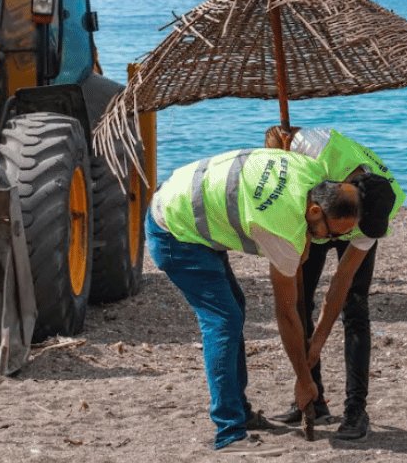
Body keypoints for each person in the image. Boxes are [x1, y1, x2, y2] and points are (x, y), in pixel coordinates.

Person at [147, 147, 379, 454]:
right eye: (331, 234)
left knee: (234, 310)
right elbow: (286, 313)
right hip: (173, 229)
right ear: (314, 212)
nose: (330, 241)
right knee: (223, 321)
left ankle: (239, 412)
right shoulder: (282, 227)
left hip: (187, 208)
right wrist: (304, 379)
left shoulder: (312, 173)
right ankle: (229, 433)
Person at [264, 126, 404, 441]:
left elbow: (341, 282)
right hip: (316, 215)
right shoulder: (312, 146)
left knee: (355, 306)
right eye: (353, 226)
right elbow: (274, 140)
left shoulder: (379, 205)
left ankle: (356, 410)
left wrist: (317, 344)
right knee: (300, 301)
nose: (352, 232)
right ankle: (313, 397)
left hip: (342, 213)